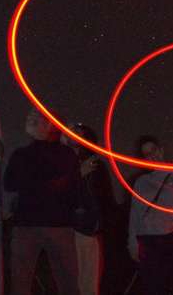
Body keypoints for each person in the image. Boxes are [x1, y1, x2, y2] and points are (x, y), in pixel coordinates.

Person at [4, 108, 81, 295]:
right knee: (21, 282)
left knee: (67, 282)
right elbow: (9, 183)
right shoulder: (22, 154)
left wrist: (33, 184)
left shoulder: (65, 154)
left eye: (36, 118)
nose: (30, 120)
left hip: (54, 226)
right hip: (32, 226)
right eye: (31, 118)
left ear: (50, 125)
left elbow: (70, 187)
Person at [128, 135, 173, 295]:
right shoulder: (141, 182)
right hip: (148, 242)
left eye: (153, 150)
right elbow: (135, 215)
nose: (151, 156)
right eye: (146, 154)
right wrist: (132, 243)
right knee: (154, 287)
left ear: (161, 150)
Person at [60, 123, 114, 295]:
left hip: (89, 230)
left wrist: (104, 226)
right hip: (68, 229)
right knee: (70, 280)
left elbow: (105, 198)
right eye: (70, 131)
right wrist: (78, 174)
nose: (72, 133)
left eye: (78, 131)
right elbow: (55, 194)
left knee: (89, 282)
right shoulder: (60, 162)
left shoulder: (95, 164)